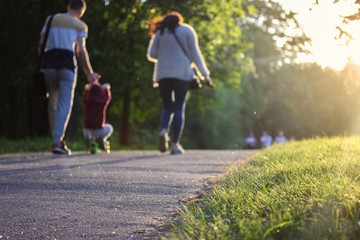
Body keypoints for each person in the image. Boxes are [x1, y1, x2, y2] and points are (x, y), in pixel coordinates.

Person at [147, 11, 214, 155]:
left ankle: (164, 130)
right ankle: (174, 145)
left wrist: (165, 54)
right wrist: (205, 75)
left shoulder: (160, 32)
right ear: (179, 20)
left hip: (163, 74)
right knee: (178, 107)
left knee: (167, 107)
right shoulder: (187, 30)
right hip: (182, 74)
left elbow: (151, 54)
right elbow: (196, 54)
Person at [39, 0, 100, 155]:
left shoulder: (51, 19)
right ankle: (57, 140)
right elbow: (80, 51)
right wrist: (89, 73)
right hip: (67, 64)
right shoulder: (79, 25)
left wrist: (42, 60)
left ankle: (56, 139)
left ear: (68, 7)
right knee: (64, 103)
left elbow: (41, 43)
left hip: (49, 63)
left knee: (52, 101)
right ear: (81, 11)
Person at [82, 83, 113, 154]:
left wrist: (87, 90)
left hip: (87, 131)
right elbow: (107, 97)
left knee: (86, 129)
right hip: (99, 130)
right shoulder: (102, 102)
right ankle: (100, 139)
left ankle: (89, 142)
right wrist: (107, 89)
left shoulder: (87, 102)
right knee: (109, 127)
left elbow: (84, 96)